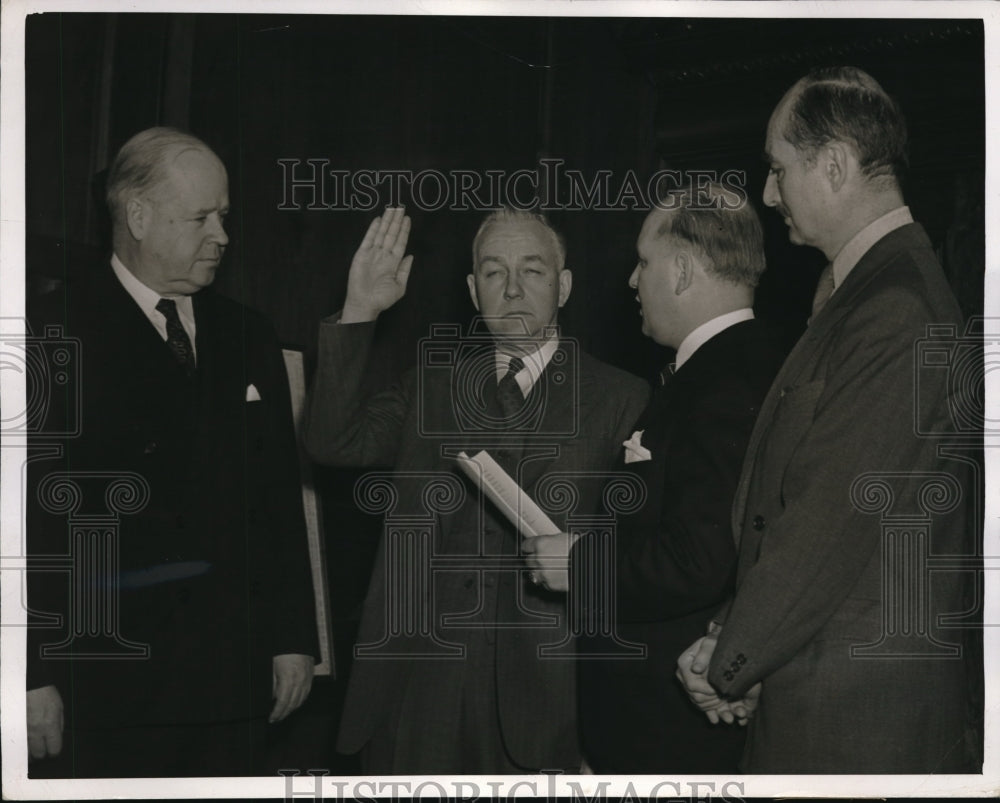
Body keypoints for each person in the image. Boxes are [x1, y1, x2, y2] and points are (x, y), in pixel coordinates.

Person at [676, 67, 979, 773]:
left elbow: (825, 516)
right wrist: (740, 641)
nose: (767, 192)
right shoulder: (869, 289)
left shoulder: (894, 307)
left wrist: (731, 657)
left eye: (779, 169)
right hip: (817, 684)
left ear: (835, 165)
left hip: (852, 718)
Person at [304, 207, 649, 774]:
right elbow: (331, 441)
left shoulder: (622, 399)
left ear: (563, 286)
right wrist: (361, 308)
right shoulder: (429, 386)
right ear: (472, 289)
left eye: (532, 271)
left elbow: (639, 557)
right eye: (493, 272)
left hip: (543, 699)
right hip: (411, 691)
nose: (512, 288)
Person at [26, 127, 318, 777]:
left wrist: (296, 639)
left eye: (225, 216)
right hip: (104, 686)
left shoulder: (249, 334)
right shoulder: (49, 335)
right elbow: (20, 520)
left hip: (233, 680)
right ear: (137, 216)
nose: (222, 236)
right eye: (201, 218)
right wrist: (27, 671)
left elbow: (275, 502)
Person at [524, 182, 785, 773]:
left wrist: (581, 563)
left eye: (644, 263)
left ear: (684, 270)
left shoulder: (723, 382)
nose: (632, 282)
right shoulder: (735, 366)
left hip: (667, 736)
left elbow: (699, 556)